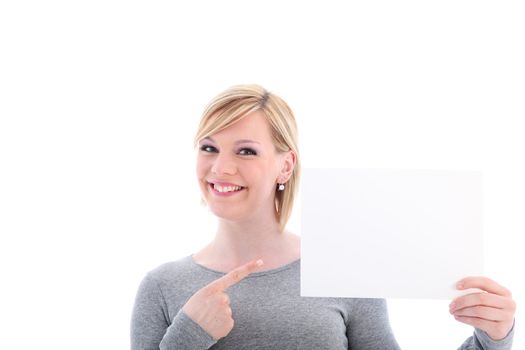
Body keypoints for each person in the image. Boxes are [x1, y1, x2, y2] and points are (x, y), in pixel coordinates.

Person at [130, 84, 516, 349]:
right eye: (209, 147)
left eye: (246, 151)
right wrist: (189, 335)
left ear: (286, 166)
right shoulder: (162, 287)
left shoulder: (342, 271)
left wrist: (492, 338)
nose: (220, 167)